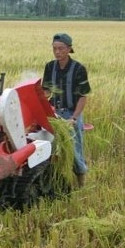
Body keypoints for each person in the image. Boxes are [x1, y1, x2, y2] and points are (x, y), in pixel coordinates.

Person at [42, 33, 91, 188]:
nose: (57, 52)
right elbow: (46, 92)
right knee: (47, 147)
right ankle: (52, 180)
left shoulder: (79, 69)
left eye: (61, 48)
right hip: (53, 114)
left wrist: (74, 119)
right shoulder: (50, 67)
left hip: (71, 114)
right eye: (54, 48)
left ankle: (81, 181)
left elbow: (83, 97)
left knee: (74, 150)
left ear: (69, 49)